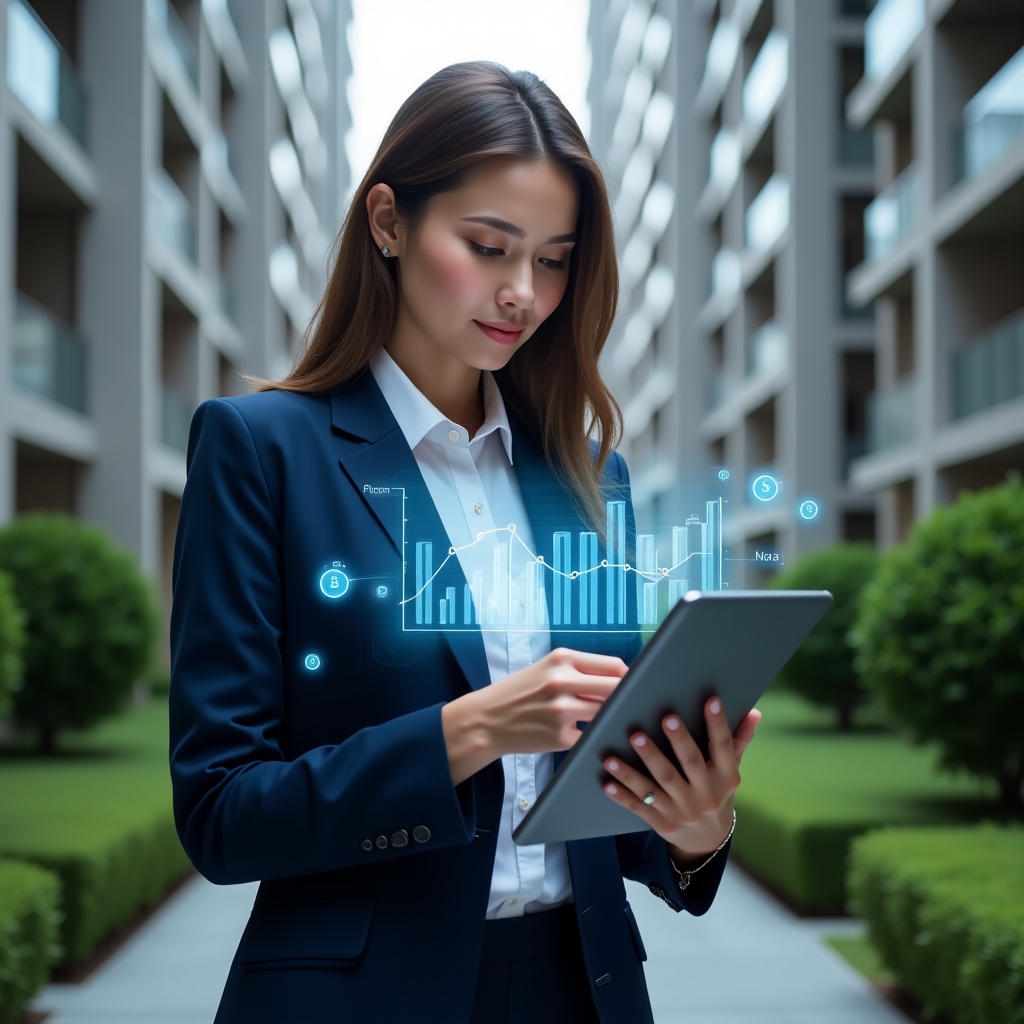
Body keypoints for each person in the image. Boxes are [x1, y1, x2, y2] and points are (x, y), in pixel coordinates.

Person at [169, 62, 760, 1024]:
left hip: (582, 992)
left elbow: (616, 810)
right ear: (390, 222)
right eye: (488, 246)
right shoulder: (261, 450)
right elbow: (222, 813)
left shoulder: (587, 477)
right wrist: (470, 730)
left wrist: (695, 829)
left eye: (555, 259)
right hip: (360, 999)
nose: (522, 293)